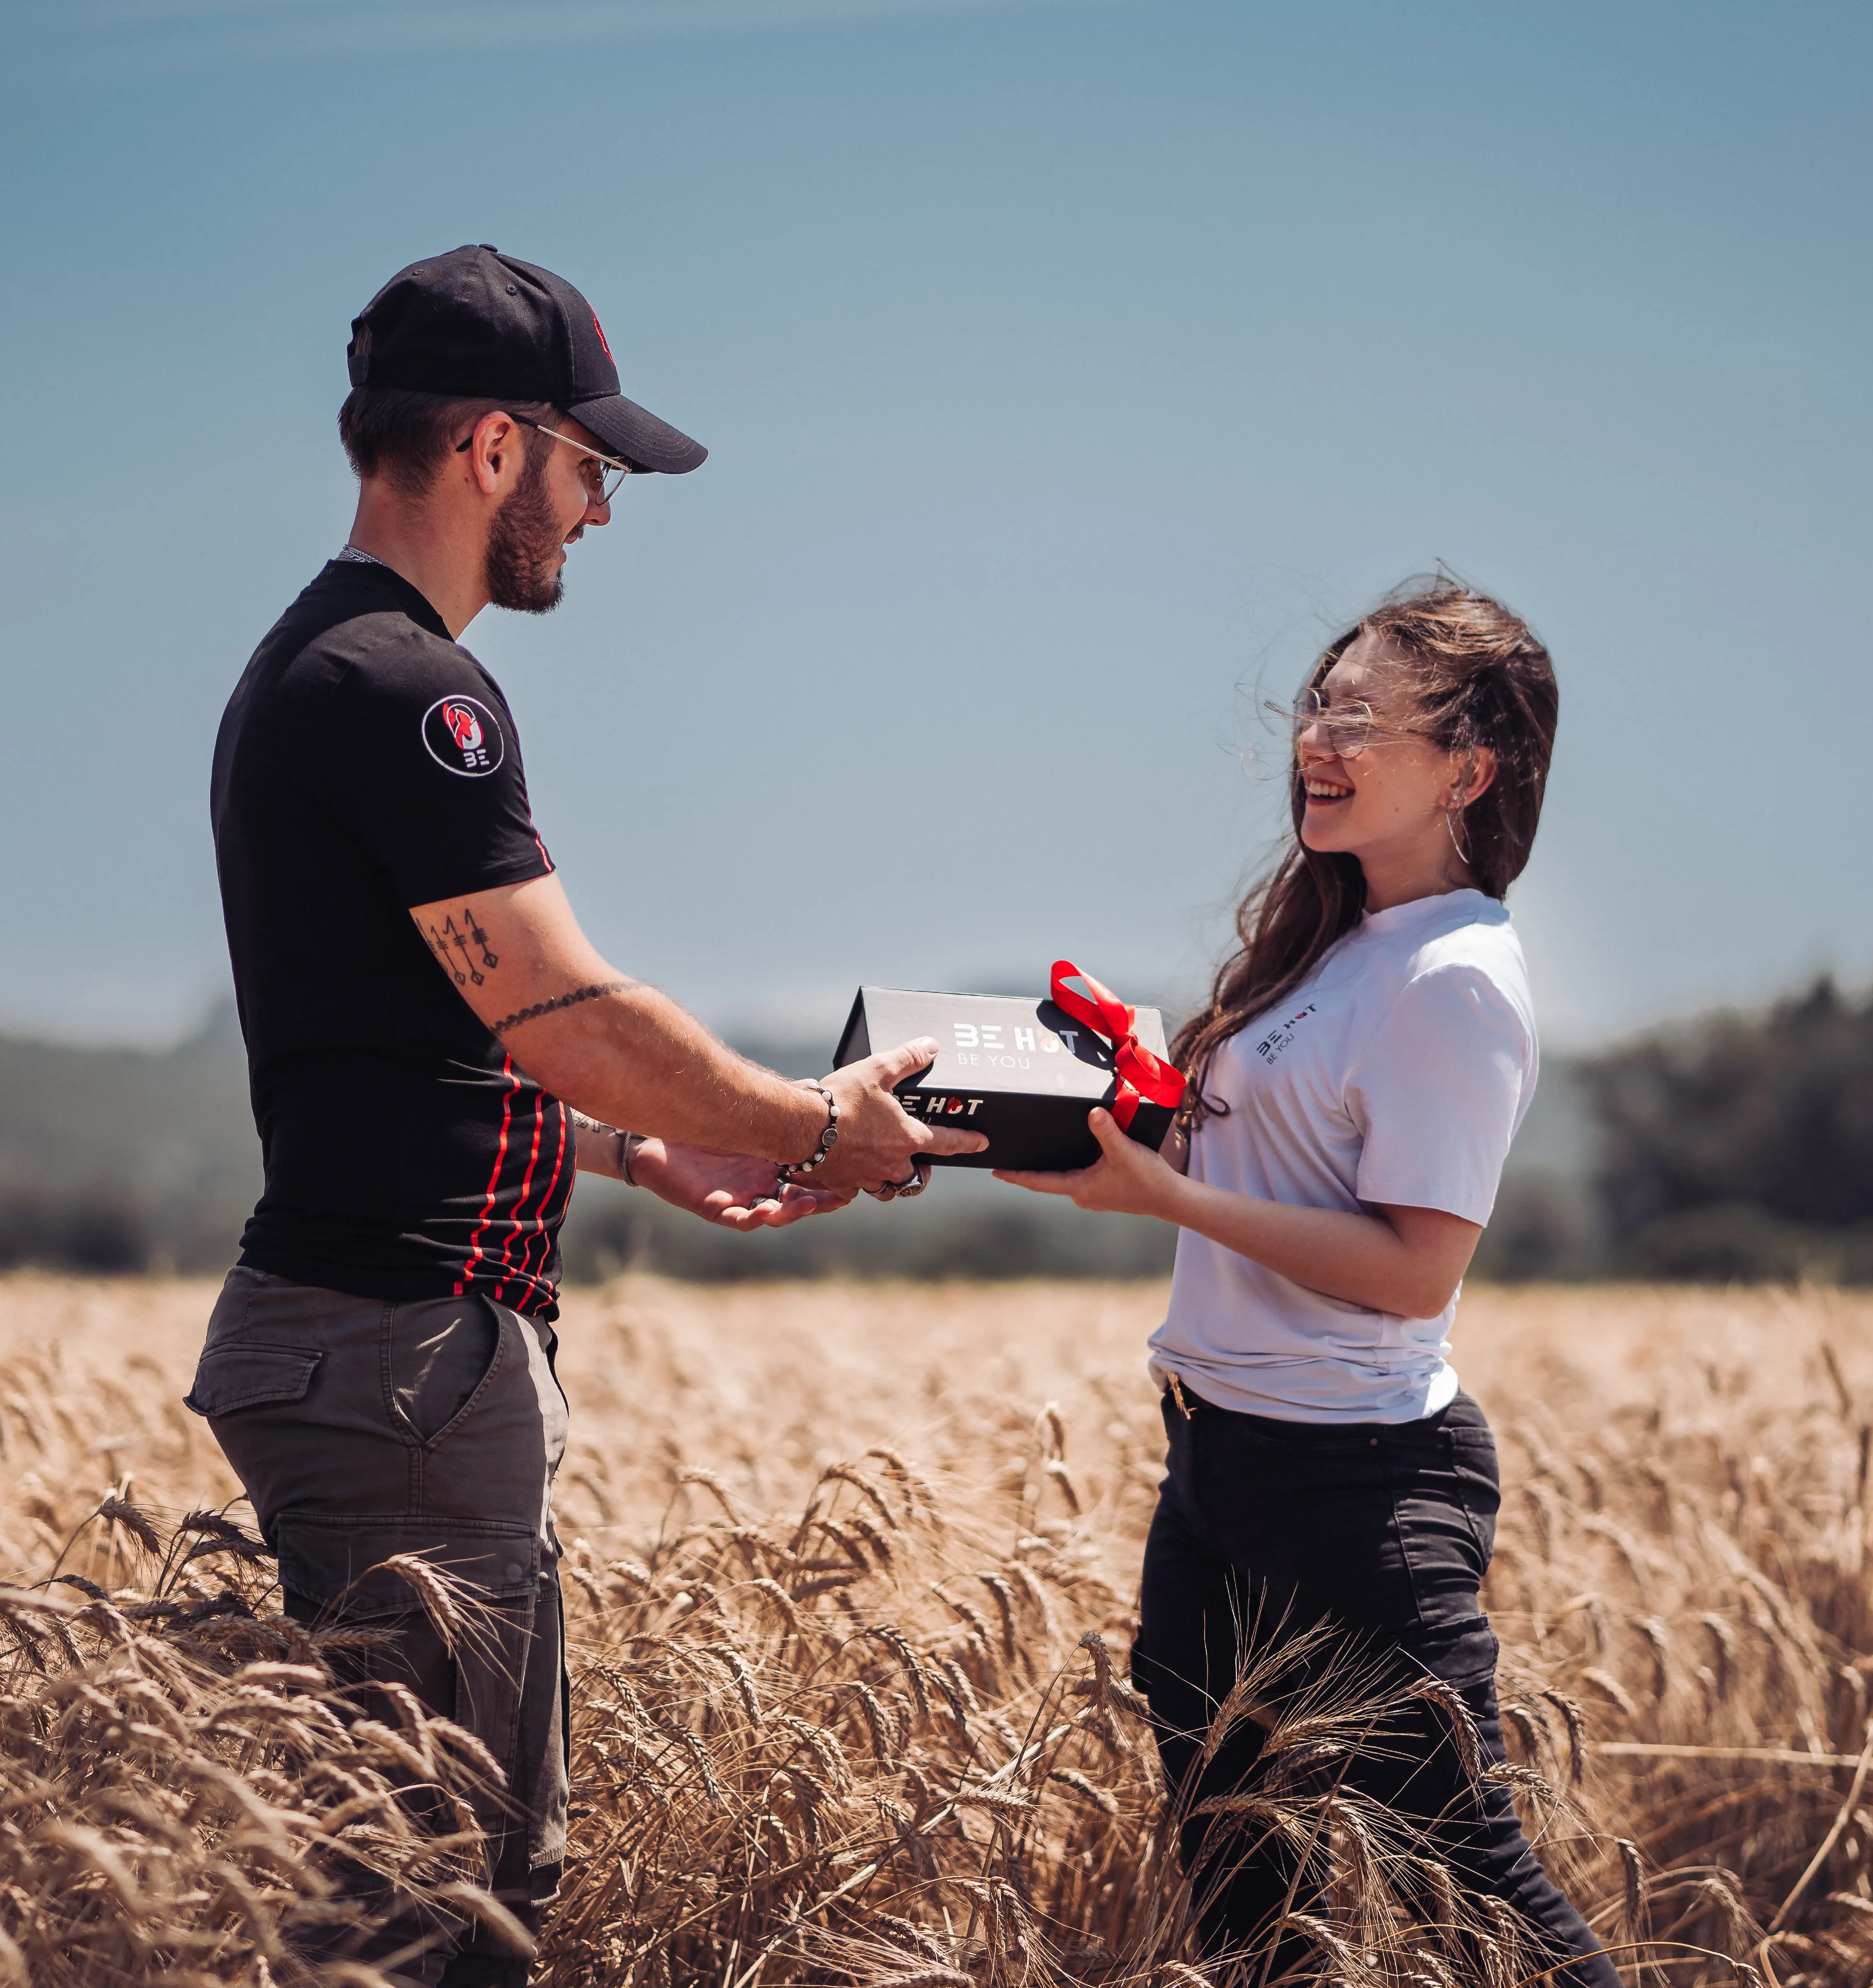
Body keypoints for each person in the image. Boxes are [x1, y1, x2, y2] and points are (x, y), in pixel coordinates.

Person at [192, 245, 983, 1985]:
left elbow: (416, 1057)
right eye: (591, 464)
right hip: (402, 1359)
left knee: (405, 1886)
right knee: (437, 1909)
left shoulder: (322, 669)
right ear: (493, 450)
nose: (602, 512)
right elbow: (561, 1012)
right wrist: (806, 1124)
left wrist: (636, 1151)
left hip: (366, 1344)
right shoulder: (417, 692)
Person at [999, 577, 1618, 1986]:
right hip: (1218, 1467)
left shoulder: (1452, 980)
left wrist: (1169, 1195)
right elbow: (1274, 1168)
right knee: (1241, 1890)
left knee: (1476, 1894)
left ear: (1469, 770)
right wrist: (1089, 1105)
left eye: (1364, 719)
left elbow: (1416, 1271)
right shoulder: (1336, 943)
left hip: (1360, 1492)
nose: (1317, 746)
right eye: (1316, 709)